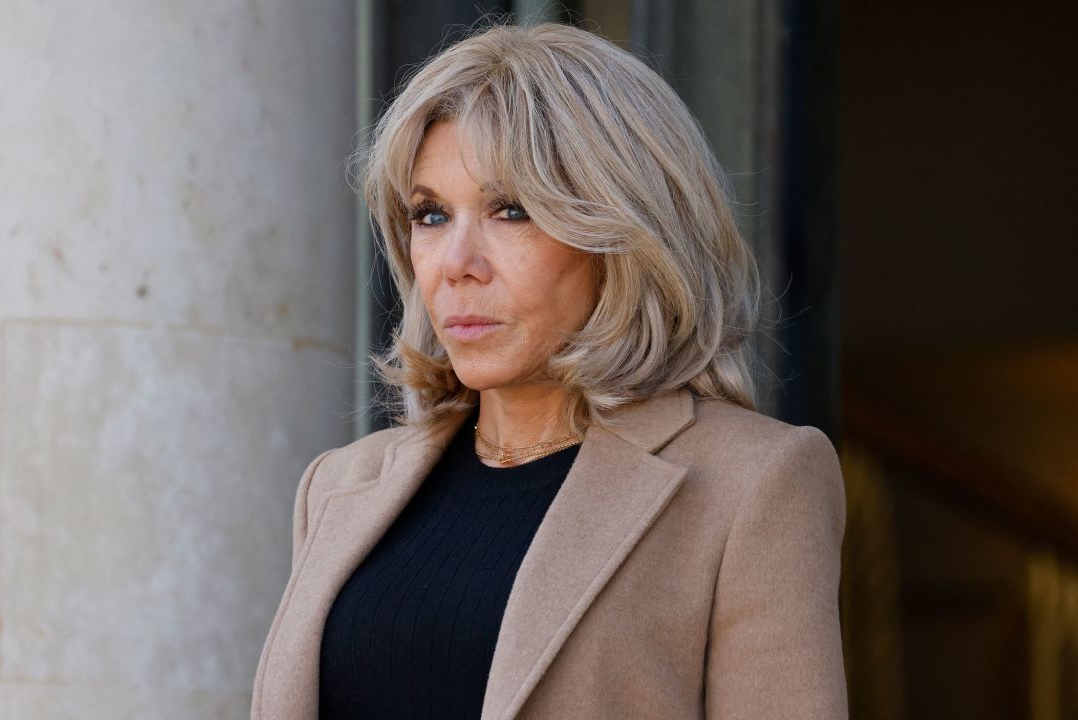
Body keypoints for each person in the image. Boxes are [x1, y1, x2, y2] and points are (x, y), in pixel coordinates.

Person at [251, 21, 847, 720]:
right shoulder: (340, 486)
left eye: (512, 210)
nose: (456, 264)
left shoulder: (756, 484)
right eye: (431, 214)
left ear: (624, 235)